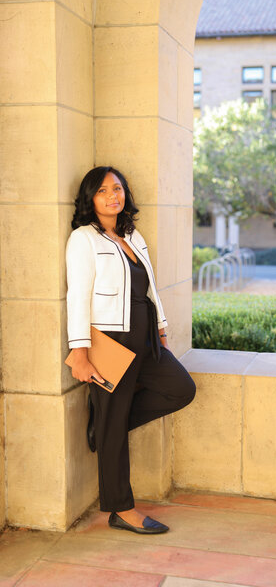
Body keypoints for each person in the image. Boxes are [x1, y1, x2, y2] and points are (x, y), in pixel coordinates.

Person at [66, 166, 196, 535]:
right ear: (90, 198)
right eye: (103, 190)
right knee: (112, 424)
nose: (113, 195)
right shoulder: (83, 239)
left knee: (181, 389)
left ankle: (105, 427)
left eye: (118, 188)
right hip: (110, 341)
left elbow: (150, 285)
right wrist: (80, 352)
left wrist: (161, 328)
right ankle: (121, 509)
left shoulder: (131, 234)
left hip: (146, 339)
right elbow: (77, 297)